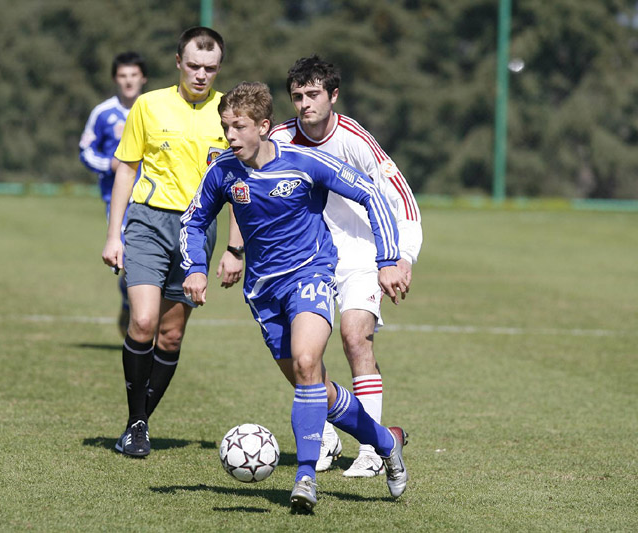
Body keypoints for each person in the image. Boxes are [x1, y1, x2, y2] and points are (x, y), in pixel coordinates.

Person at [180, 82, 409, 513]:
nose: (230, 135)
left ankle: (305, 478)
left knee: (306, 362)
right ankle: (385, 442)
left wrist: (388, 259)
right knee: (315, 387)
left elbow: (371, 193)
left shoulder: (305, 162)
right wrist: (195, 267)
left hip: (311, 275)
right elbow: (193, 221)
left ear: (264, 126)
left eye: (239, 127)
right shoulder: (222, 171)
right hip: (263, 293)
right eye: (226, 126)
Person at [269, 55, 423, 477]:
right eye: (297, 96)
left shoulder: (355, 139)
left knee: (356, 337)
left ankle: (372, 450)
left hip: (360, 255)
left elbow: (401, 198)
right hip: (306, 259)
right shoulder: (279, 139)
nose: (305, 104)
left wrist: (401, 256)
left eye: (313, 94)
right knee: (303, 355)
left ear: (333, 95)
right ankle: (326, 434)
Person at [101, 27, 244, 458]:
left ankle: (137, 424)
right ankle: (137, 423)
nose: (201, 75)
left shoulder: (229, 113)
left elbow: (240, 185)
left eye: (210, 68)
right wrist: (113, 234)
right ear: (178, 62)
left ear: (219, 68)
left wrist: (235, 249)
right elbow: (126, 169)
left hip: (197, 230)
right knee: (143, 322)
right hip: (147, 221)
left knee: (171, 336)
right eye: (194, 65)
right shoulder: (148, 105)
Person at [79, 51, 148, 337]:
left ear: (143, 78)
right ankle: (131, 305)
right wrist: (109, 165)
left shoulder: (154, 109)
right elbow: (86, 151)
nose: (128, 81)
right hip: (119, 201)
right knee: (129, 260)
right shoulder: (103, 113)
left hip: (155, 198)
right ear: (115, 79)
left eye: (133, 75)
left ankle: (147, 317)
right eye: (122, 76)